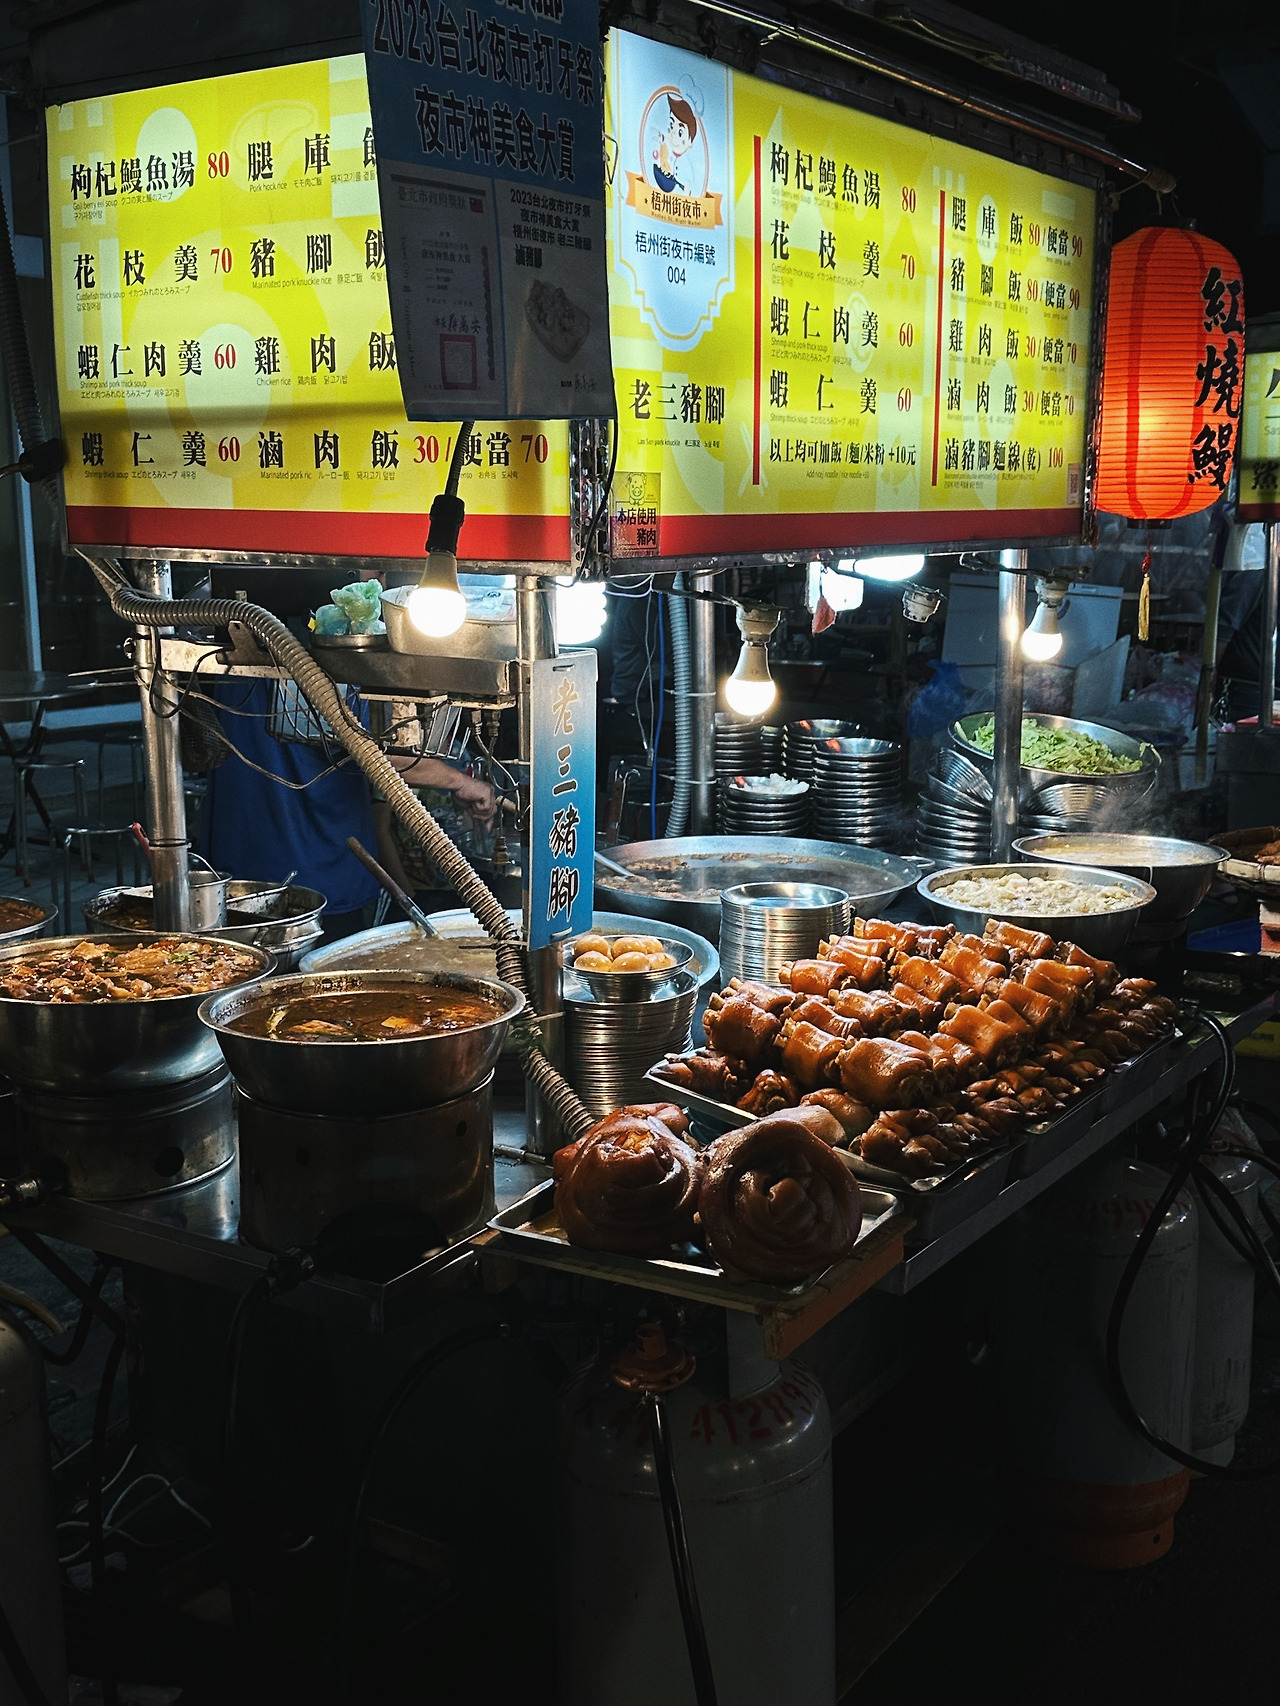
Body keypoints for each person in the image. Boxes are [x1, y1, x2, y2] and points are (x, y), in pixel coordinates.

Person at [200, 679, 494, 939]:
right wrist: (459, 781)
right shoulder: (332, 665)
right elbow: (377, 753)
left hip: (234, 875)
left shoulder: (234, 669)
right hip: (319, 878)